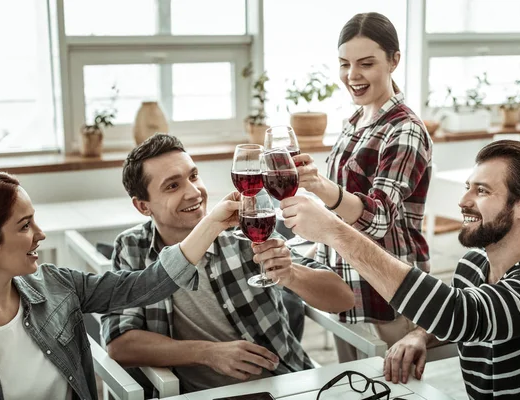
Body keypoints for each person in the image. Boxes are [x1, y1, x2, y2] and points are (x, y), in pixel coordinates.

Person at [282, 140, 520, 399]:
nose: (463, 201)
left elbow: (461, 315)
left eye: (482, 191)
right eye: (468, 188)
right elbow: (471, 319)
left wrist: (336, 231)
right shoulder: (472, 267)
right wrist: (421, 334)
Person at [100, 133, 354, 394]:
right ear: (143, 206)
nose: (193, 192)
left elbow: (343, 299)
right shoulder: (133, 247)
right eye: (172, 186)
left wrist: (290, 274)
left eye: (193, 176)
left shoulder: (245, 229)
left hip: (282, 384)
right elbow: (120, 343)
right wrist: (208, 352)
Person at [0, 170, 247, 400]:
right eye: (25, 226)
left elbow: (147, 283)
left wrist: (212, 222)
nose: (40, 234)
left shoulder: (55, 286)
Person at [293, 11, 432, 362]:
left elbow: (379, 217)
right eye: (344, 64)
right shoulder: (356, 120)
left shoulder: (406, 130)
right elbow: (338, 204)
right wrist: (314, 184)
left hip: (386, 285)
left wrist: (325, 190)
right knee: (353, 382)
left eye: (366, 64)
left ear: (393, 61)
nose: (352, 76)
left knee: (389, 385)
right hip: (343, 276)